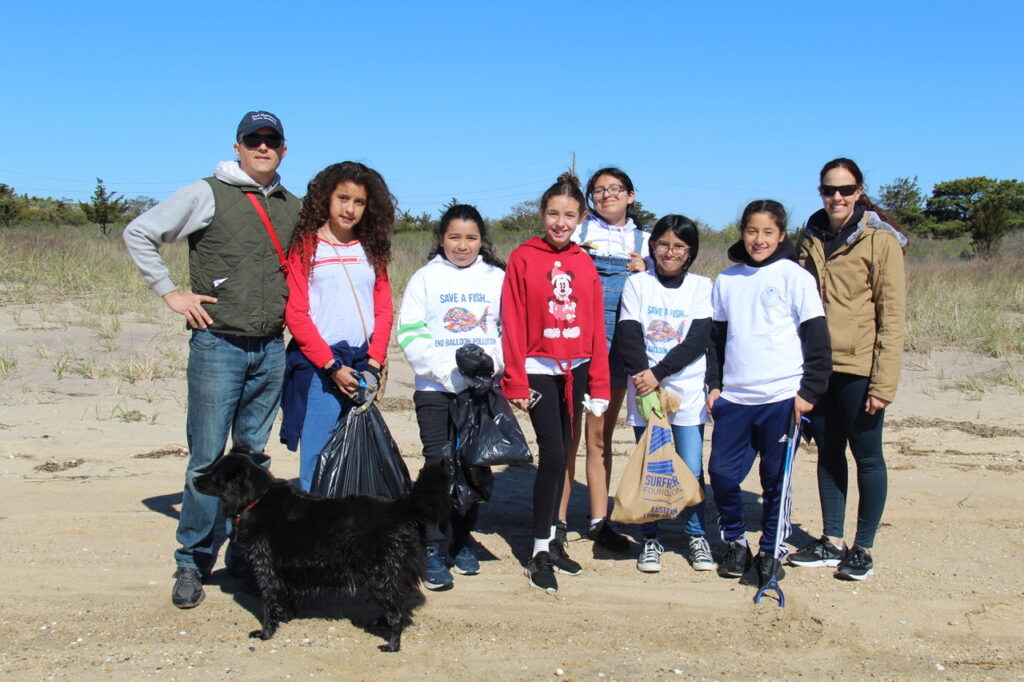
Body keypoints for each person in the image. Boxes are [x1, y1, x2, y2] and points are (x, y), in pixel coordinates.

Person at [123, 111, 300, 609]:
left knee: (254, 457)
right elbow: (139, 233)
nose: (263, 147)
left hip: (270, 346)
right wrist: (170, 292)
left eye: (272, 140)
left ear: (284, 150)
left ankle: (245, 555)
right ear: (238, 145)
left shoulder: (292, 204)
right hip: (217, 344)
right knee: (206, 458)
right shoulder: (207, 192)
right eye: (254, 139)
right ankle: (193, 561)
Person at [788, 158, 907, 581]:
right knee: (828, 453)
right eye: (828, 189)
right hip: (820, 367)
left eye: (845, 189)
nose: (836, 197)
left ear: (859, 191)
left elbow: (892, 317)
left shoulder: (880, 242)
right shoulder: (811, 236)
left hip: (860, 368)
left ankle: (863, 548)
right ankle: (830, 540)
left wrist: (883, 382)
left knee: (868, 458)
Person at [705, 199, 831, 589]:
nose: (759, 239)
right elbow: (716, 340)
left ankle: (770, 550)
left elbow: (817, 340)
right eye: (751, 231)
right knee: (723, 475)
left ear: (781, 235)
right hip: (736, 399)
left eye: (768, 232)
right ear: (742, 232)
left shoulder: (795, 277)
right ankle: (737, 542)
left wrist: (809, 391)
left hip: (782, 397)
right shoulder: (727, 280)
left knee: (776, 479)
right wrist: (714, 387)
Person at [501, 173, 611, 592]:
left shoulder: (584, 261)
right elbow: (511, 320)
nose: (560, 222)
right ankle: (540, 549)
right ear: (542, 214)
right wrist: (514, 380)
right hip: (539, 367)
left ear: (581, 217)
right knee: (551, 453)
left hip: (576, 366)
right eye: (552, 213)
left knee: (566, 450)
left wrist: (599, 385)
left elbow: (596, 327)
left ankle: (553, 540)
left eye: (569, 215)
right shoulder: (523, 257)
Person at [397, 204, 506, 591]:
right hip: (435, 390)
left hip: (481, 392)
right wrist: (448, 371)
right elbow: (409, 332)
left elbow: (510, 332)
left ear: (482, 241)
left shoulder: (497, 278)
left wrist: (488, 365)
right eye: (454, 238)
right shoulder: (424, 279)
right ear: (441, 239)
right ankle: (431, 545)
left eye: (471, 238)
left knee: (474, 465)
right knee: (438, 465)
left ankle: (462, 540)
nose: (463, 246)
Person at [279, 162, 395, 492]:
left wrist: (374, 365)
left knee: (356, 457)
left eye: (359, 202)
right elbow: (297, 314)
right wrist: (331, 366)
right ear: (325, 198)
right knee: (317, 460)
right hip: (320, 369)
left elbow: (384, 311)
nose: (350, 209)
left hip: (363, 367)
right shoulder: (305, 247)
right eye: (343, 198)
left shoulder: (372, 250)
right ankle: (314, 539)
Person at [613, 215, 715, 573]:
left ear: (690, 252)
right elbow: (629, 332)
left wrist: (659, 373)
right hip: (644, 391)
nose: (670, 252)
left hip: (684, 390)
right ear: (652, 246)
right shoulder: (638, 284)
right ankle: (651, 537)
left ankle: (696, 534)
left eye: (679, 246)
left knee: (689, 466)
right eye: (663, 244)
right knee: (651, 466)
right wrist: (644, 376)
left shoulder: (702, 287)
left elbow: (698, 340)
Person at [561, 167, 649, 552]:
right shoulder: (578, 231)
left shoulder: (645, 240)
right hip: (574, 342)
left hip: (617, 350)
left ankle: (599, 520)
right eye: (598, 190)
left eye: (615, 189)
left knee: (599, 437)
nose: (606, 195)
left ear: (631, 196)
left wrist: (647, 271)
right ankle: (557, 520)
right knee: (566, 436)